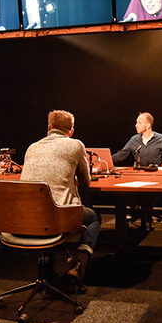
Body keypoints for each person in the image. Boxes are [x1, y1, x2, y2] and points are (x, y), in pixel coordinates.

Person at [20, 110, 101, 292]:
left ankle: (47, 269)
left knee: (45, 209)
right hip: (56, 218)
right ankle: (79, 265)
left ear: (49, 128)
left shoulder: (32, 147)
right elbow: (86, 182)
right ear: (71, 131)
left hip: (26, 218)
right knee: (94, 218)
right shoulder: (76, 145)